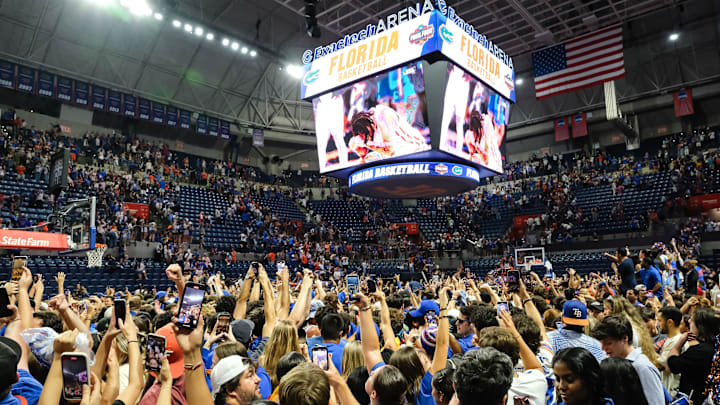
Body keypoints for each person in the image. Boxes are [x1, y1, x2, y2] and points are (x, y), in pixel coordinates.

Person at [591, 315, 664, 405]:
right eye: (601, 343)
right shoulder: (614, 363)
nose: (603, 348)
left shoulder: (642, 367)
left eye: (608, 343)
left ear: (625, 338)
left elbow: (656, 402)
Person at [667, 307, 720, 405]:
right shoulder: (714, 345)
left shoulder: (700, 351)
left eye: (692, 319)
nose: (689, 320)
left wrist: (680, 342)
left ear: (700, 326)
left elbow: (672, 364)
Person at [656, 306, 683, 396]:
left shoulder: (677, 341)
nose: (657, 324)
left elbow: (660, 364)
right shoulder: (671, 339)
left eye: (660, 321)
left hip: (671, 392)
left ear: (670, 322)